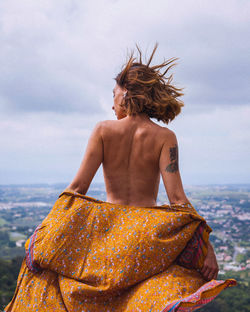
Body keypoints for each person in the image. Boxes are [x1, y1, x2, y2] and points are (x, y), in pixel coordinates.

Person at [66, 44, 219, 282]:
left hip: (111, 233)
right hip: (145, 238)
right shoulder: (165, 137)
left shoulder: (102, 130)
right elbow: (178, 199)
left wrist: (47, 231)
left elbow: (76, 190)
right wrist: (206, 246)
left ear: (125, 92)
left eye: (113, 94)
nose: (112, 103)